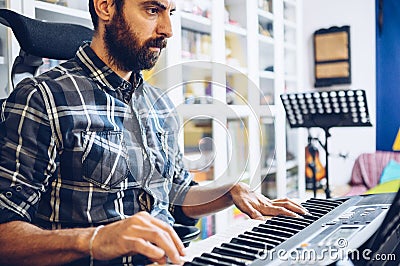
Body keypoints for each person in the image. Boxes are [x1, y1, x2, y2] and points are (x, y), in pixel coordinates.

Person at [0, 0, 307, 265]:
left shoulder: (159, 103)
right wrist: (96, 239)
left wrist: (228, 191)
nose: (168, 29)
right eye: (152, 10)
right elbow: (4, 234)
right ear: (105, 6)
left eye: (170, 11)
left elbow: (177, 195)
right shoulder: (42, 98)